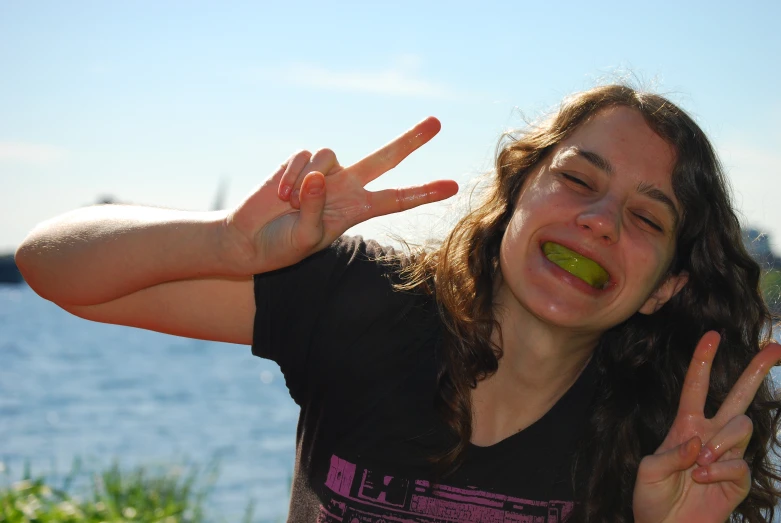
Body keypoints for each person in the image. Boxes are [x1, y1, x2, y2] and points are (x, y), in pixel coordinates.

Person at [14, 84, 781, 523]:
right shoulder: (368, 303)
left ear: (667, 289)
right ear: (514, 195)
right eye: (578, 179)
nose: (600, 220)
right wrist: (225, 244)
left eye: (646, 217)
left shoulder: (657, 453)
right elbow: (52, 263)